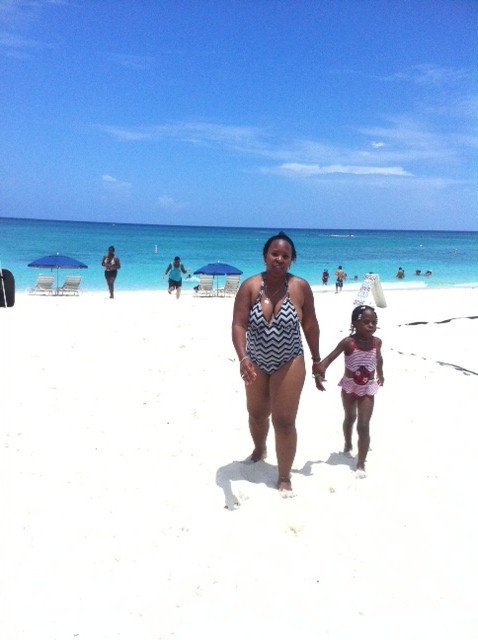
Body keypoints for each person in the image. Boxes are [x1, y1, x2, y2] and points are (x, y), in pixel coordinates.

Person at [231, 231, 325, 497]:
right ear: (265, 256)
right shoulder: (250, 286)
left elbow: (310, 324)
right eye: (275, 254)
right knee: (257, 414)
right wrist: (243, 358)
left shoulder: (300, 287)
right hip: (256, 360)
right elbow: (238, 325)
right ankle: (259, 450)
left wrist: (317, 360)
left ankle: (284, 476)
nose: (279, 259)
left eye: (285, 255)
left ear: (292, 260)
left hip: (290, 359)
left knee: (284, 421)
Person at [316, 305, 384, 478]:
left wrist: (381, 374)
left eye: (374, 322)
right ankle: (347, 444)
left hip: (368, 387)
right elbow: (329, 359)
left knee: (363, 425)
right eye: (366, 322)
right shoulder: (348, 342)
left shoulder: (377, 342)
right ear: (355, 323)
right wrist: (319, 372)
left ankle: (360, 463)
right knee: (350, 418)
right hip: (349, 386)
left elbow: (379, 359)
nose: (371, 325)